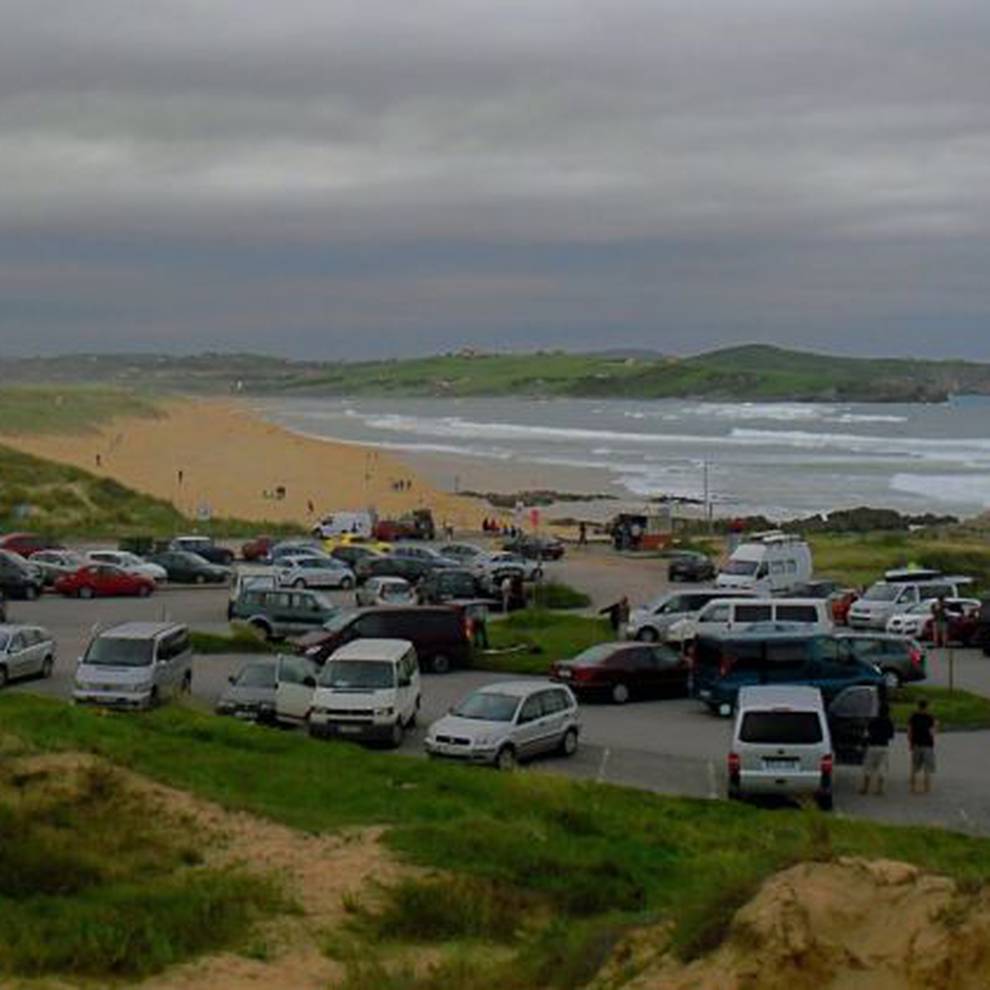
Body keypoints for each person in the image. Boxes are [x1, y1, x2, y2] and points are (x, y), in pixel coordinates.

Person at [859, 701, 895, 795]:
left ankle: (865, 788)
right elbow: (891, 736)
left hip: (872, 746)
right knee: (882, 768)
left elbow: (867, 733)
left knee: (868, 767)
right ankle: (879, 789)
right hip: (883, 746)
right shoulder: (889, 722)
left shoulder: (873, 721)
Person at [908, 698, 938, 794]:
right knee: (927, 769)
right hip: (928, 745)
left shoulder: (913, 716)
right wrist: (936, 726)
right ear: (927, 706)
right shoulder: (930, 717)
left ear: (918, 706)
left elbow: (909, 732)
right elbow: (932, 732)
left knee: (914, 767)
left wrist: (910, 743)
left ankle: (913, 788)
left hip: (916, 744)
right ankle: (927, 788)